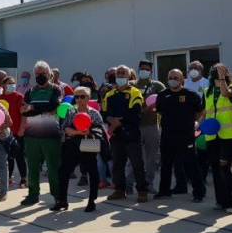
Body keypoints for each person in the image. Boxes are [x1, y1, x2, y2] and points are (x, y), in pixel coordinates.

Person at [154, 70, 206, 202]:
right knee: (166, 164)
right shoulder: (162, 95)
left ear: (182, 79)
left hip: (186, 135)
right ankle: (164, 191)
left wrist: (188, 123)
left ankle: (198, 193)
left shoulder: (191, 95)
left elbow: (199, 112)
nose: (173, 80)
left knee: (191, 164)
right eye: (170, 78)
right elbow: (159, 112)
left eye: (176, 78)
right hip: (167, 135)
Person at [103, 65, 148, 203]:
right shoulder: (109, 94)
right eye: (118, 73)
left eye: (123, 73)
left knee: (137, 164)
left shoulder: (135, 92)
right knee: (117, 164)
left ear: (129, 76)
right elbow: (103, 113)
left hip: (131, 134)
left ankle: (142, 191)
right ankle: (119, 190)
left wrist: (115, 123)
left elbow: (134, 112)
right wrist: (111, 121)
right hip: (116, 136)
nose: (121, 75)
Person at [20, 61, 62, 206]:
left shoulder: (56, 89)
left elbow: (53, 106)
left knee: (53, 166)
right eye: (37, 74)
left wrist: (33, 108)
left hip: (51, 133)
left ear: (50, 75)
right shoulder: (30, 91)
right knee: (32, 166)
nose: (39, 76)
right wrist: (35, 109)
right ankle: (33, 194)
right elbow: (23, 109)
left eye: (42, 73)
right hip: (31, 134)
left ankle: (57, 195)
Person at [202, 64, 232, 214]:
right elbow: (206, 110)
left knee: (224, 167)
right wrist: (201, 124)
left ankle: (230, 203)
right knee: (216, 169)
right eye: (215, 71)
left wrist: (222, 77)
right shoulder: (207, 91)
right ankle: (220, 200)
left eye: (221, 71)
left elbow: (226, 94)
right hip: (212, 135)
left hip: (228, 134)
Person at [56, 87, 104, 212]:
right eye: (76, 97)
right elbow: (65, 128)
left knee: (92, 171)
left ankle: (92, 201)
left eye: (82, 97)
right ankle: (62, 201)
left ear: (88, 98)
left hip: (89, 143)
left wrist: (89, 131)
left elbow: (100, 131)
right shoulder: (71, 111)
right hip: (72, 144)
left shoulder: (94, 113)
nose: (79, 100)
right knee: (63, 171)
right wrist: (78, 132)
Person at [136, 60, 166, 191]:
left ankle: (149, 183)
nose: (144, 71)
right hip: (135, 126)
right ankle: (129, 185)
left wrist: (153, 106)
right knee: (133, 158)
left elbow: (166, 100)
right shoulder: (132, 85)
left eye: (147, 69)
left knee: (150, 157)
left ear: (151, 71)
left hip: (152, 125)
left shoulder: (157, 86)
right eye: (142, 69)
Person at [0, 76, 28, 188]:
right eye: (9, 83)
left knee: (19, 155)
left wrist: (21, 129)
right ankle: (8, 178)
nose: (12, 85)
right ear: (3, 85)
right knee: (8, 157)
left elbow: (23, 115)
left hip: (17, 131)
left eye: (13, 83)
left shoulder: (19, 97)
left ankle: (23, 179)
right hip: (5, 132)